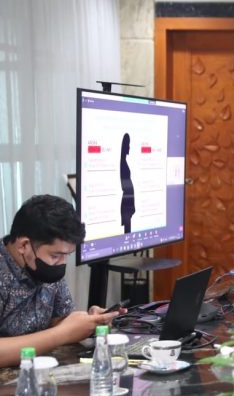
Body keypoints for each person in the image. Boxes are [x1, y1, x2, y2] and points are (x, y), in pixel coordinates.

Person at [0, 195, 121, 367]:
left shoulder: (44, 268)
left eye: (67, 255)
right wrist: (63, 333)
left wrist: (87, 322)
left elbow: (56, 321)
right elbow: (60, 333)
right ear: (23, 245)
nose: (62, 263)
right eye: (56, 255)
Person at [120, 132, 135, 234]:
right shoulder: (122, 163)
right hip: (127, 203)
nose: (129, 147)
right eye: (128, 144)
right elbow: (124, 184)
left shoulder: (124, 162)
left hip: (128, 201)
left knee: (128, 231)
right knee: (127, 233)